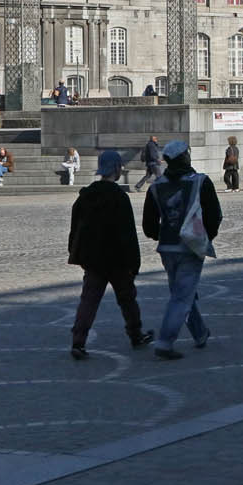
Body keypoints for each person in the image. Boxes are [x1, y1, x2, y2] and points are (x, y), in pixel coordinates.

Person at [67, 149, 156, 360]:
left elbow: (75, 229)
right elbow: (128, 234)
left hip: (93, 260)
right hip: (118, 260)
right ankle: (136, 335)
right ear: (116, 168)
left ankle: (78, 341)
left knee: (88, 300)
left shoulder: (86, 196)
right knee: (127, 300)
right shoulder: (119, 197)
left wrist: (76, 253)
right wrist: (134, 263)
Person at [141, 140, 221, 358]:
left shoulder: (156, 186)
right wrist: (204, 238)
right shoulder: (201, 182)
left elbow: (148, 224)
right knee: (182, 296)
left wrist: (163, 235)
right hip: (191, 245)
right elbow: (214, 215)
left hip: (167, 247)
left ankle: (200, 333)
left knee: (182, 292)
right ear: (186, 157)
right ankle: (165, 342)